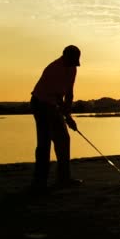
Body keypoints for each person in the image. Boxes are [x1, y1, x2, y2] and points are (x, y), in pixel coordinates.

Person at [30, 45, 83, 192]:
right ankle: (40, 182)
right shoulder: (55, 69)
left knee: (63, 139)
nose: (75, 63)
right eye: (73, 60)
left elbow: (69, 93)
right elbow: (58, 97)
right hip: (40, 104)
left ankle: (64, 178)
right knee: (44, 143)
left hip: (52, 104)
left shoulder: (72, 68)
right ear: (65, 57)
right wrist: (67, 116)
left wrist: (69, 114)